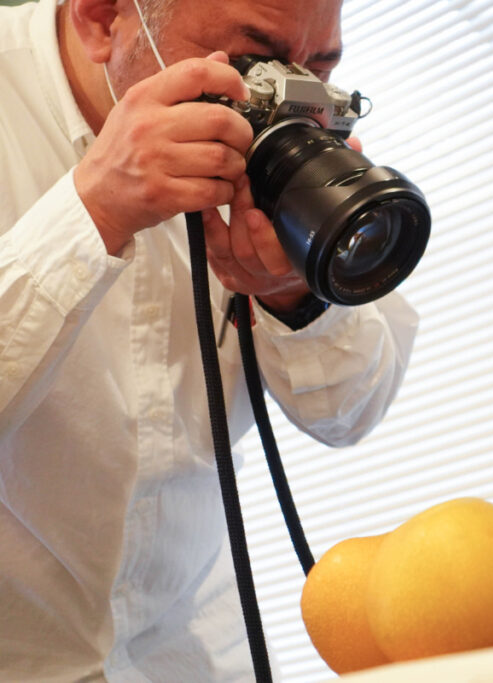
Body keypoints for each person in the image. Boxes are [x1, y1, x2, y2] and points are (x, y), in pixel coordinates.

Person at [0, 0, 418, 679]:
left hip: (198, 655)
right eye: (256, 59)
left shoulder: (286, 134)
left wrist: (294, 295)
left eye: (316, 68)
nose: (289, 96)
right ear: (105, 18)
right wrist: (94, 209)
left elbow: (354, 410)